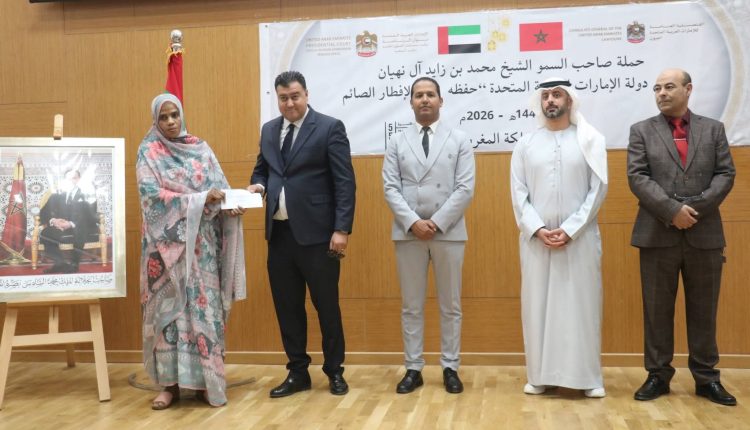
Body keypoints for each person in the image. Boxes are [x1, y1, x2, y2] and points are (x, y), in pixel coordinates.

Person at [628, 68, 737, 406]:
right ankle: (658, 375)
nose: (661, 93)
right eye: (656, 88)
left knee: (704, 310)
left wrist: (694, 209)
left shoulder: (713, 129)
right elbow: (637, 177)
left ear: (688, 89)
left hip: (705, 234)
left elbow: (725, 173)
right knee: (656, 310)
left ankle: (706, 378)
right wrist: (672, 210)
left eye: (669, 87)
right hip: (656, 233)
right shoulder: (641, 131)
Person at [247, 71, 356, 397]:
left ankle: (334, 371)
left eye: (295, 96)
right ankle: (297, 372)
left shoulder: (329, 128)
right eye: (283, 98)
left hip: (320, 236)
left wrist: (341, 229)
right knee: (288, 307)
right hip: (279, 235)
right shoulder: (269, 130)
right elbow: (262, 170)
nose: (290, 103)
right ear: (277, 99)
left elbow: (344, 182)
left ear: (306, 95)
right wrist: (258, 186)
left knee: (327, 306)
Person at [136, 93, 246, 409]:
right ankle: (168, 386)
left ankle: (205, 382)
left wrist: (231, 203)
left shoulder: (200, 149)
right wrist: (200, 199)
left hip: (201, 250)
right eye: (164, 117)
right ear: (155, 120)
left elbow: (220, 189)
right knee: (169, 317)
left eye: (175, 115)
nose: (171, 122)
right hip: (165, 253)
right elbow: (150, 197)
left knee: (204, 313)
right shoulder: (148, 152)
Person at [510, 77, 608, 398]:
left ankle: (588, 378)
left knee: (581, 307)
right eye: (546, 96)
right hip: (536, 242)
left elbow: (598, 190)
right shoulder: (525, 144)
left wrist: (570, 229)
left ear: (570, 100)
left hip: (579, 240)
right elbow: (518, 194)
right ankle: (540, 376)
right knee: (537, 307)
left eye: (557, 95)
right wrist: (538, 229)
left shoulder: (590, 140)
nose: (550, 100)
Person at [382, 77, 475, 394]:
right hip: (408, 233)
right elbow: (390, 188)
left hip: (448, 232)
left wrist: (435, 222)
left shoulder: (459, 139)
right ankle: (413, 368)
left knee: (451, 305)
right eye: (419, 95)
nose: (424, 99)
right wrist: (413, 222)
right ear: (410, 102)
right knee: (411, 306)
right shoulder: (397, 141)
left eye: (430, 94)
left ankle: (450, 367)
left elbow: (465, 188)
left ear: (440, 100)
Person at [39, 169, 98, 273]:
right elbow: (44, 211)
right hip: (61, 226)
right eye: (68, 179)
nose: (71, 181)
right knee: (45, 233)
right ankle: (59, 263)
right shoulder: (57, 194)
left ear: (79, 180)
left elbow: (90, 214)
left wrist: (71, 224)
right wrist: (54, 220)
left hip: (80, 226)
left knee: (80, 230)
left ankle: (74, 265)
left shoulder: (87, 193)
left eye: (74, 178)